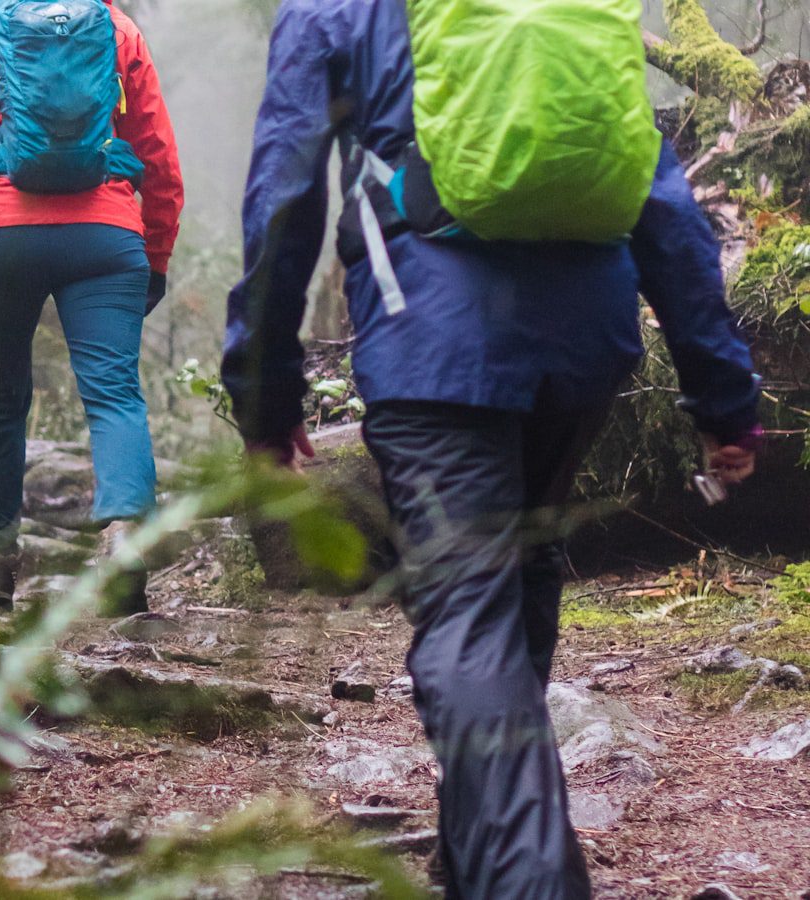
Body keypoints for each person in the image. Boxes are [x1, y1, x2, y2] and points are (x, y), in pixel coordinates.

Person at [223, 0, 760, 895]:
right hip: (585, 347)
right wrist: (722, 396)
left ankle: (528, 878)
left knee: (467, 610)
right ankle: (478, 857)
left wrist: (264, 397)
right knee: (521, 567)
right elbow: (660, 199)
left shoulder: (335, 11)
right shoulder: (573, 9)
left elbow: (282, 199)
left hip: (435, 348)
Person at [0, 0, 184, 610]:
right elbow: (157, 149)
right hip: (105, 236)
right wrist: (157, 250)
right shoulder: (116, 28)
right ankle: (125, 538)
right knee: (113, 390)